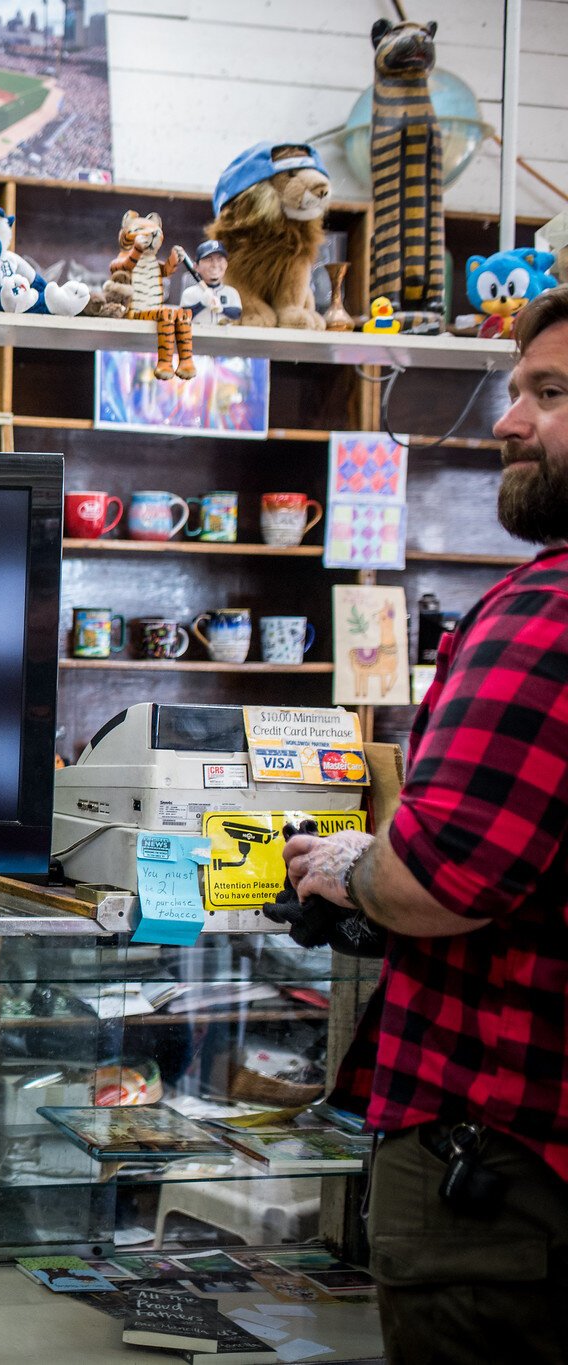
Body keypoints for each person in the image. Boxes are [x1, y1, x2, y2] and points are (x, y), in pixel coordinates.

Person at [282, 288, 568, 1364]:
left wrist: (351, 868)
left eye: (545, 393)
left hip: (500, 1169)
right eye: (512, 389)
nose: (504, 422)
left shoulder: (540, 614)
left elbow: (435, 884)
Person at [179, 239, 242, 325]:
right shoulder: (190, 293)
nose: (215, 265)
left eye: (220, 259)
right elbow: (183, 317)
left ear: (226, 264)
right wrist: (202, 304)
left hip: (225, 337)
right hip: (197, 337)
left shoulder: (231, 292)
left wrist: (222, 309)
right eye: (209, 259)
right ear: (196, 267)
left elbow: (237, 314)